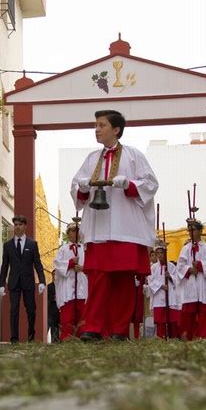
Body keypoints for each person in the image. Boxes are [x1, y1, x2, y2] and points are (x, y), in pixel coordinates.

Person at [71, 109, 158, 341]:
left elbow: (150, 184)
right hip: (99, 229)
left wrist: (128, 184)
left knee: (124, 281)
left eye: (102, 125)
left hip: (126, 228)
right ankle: (93, 328)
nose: (97, 129)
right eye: (96, 125)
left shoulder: (133, 156)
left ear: (116, 129)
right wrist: (82, 187)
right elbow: (76, 188)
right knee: (98, 278)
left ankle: (119, 330)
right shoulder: (91, 159)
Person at [0, 215, 46, 343]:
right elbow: (4, 265)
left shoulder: (32, 244)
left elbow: (37, 263)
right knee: (14, 310)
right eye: (15, 225)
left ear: (25, 226)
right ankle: (14, 338)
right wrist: (1, 284)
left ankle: (31, 336)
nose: (17, 227)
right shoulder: (7, 245)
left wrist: (42, 281)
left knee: (31, 310)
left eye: (20, 224)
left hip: (28, 282)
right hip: (14, 282)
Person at [176, 219, 206, 340]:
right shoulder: (185, 249)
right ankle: (189, 337)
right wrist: (189, 269)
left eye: (193, 229)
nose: (191, 232)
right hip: (191, 285)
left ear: (200, 231)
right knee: (189, 313)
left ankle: (203, 336)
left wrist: (200, 266)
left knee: (205, 312)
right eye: (189, 230)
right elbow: (180, 266)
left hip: (204, 284)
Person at [53, 222, 88, 340]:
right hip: (68, 288)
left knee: (82, 314)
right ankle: (67, 338)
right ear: (68, 233)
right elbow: (57, 266)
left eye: (77, 231)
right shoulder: (63, 249)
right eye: (73, 231)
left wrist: (83, 268)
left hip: (82, 288)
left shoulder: (85, 248)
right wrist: (70, 263)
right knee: (67, 316)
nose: (75, 233)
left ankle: (82, 337)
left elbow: (91, 265)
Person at [145, 239, 180, 339]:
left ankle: (174, 338)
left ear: (165, 253)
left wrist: (170, 277)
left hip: (170, 295)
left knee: (172, 319)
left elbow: (177, 280)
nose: (160, 255)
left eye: (162, 253)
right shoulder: (153, 268)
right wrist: (161, 285)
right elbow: (150, 280)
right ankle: (161, 337)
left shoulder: (171, 266)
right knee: (160, 321)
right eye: (158, 253)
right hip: (158, 297)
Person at [47, 270, 60, 342]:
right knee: (50, 326)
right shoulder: (49, 286)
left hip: (60, 311)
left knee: (58, 328)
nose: (55, 276)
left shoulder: (62, 286)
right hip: (52, 310)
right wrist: (54, 297)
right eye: (54, 274)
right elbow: (48, 298)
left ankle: (57, 342)